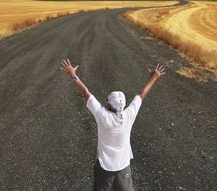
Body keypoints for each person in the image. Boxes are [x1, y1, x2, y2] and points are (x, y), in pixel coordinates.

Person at [60, 59, 166, 191]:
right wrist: (154, 78)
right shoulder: (129, 115)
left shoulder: (102, 115)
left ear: (110, 104)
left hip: (104, 168)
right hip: (124, 167)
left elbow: (86, 93)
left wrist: (73, 75)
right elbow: (141, 94)